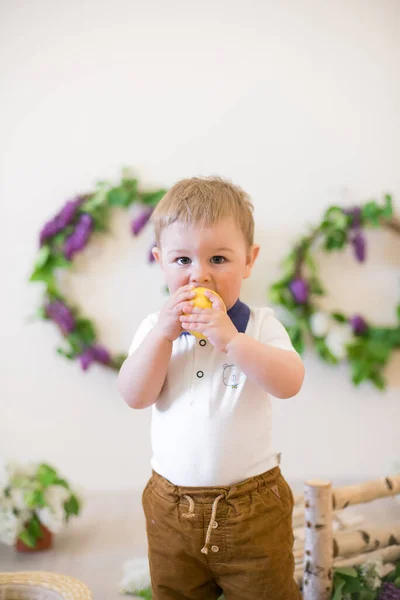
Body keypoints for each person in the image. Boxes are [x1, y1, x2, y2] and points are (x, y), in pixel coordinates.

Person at [118, 176, 304, 600]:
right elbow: (134, 395)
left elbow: (290, 382)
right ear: (159, 260)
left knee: (266, 592)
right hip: (170, 510)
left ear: (249, 260)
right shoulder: (154, 330)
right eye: (182, 260)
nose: (199, 274)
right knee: (176, 592)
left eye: (218, 258)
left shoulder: (259, 326)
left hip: (253, 506)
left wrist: (231, 340)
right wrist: (163, 336)